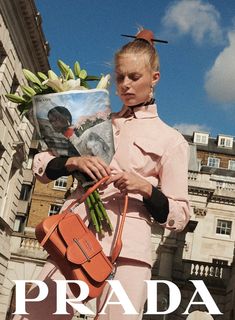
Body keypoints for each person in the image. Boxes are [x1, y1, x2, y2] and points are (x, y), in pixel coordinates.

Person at [13, 29, 190, 320]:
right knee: (34, 315)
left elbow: (179, 215)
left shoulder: (171, 141)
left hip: (129, 251)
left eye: (134, 77)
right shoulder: (93, 119)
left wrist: (145, 188)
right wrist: (74, 163)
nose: (125, 85)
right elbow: (43, 165)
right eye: (120, 77)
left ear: (154, 79)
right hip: (74, 237)